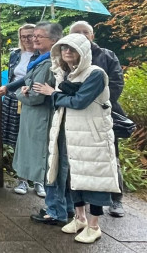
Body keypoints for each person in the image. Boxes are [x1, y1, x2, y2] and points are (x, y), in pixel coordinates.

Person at [32, 33, 121, 244]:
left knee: (94, 179)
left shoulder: (95, 74)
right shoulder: (68, 75)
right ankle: (79, 218)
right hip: (69, 132)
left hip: (92, 135)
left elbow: (80, 101)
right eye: (64, 49)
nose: (67, 52)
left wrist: (53, 93)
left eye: (72, 49)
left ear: (83, 52)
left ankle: (94, 225)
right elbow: (67, 100)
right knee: (73, 176)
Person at [9, 22, 68, 225]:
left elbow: (35, 96)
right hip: (39, 119)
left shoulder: (49, 63)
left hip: (42, 121)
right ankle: (61, 208)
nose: (34, 39)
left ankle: (55, 210)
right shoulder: (43, 60)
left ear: (54, 40)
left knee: (48, 164)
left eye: (39, 36)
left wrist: (18, 93)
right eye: (33, 35)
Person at [69, 21, 126, 218]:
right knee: (81, 158)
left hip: (102, 114)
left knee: (110, 157)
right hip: (76, 115)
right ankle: (83, 202)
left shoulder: (107, 55)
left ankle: (116, 199)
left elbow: (117, 83)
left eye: (86, 32)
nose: (82, 35)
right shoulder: (68, 55)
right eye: (77, 32)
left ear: (92, 36)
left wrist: (96, 103)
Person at [0, 24, 43, 196]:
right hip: (13, 100)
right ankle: (21, 179)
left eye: (30, 36)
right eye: (23, 36)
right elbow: (12, 76)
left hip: (31, 99)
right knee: (17, 140)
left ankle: (38, 180)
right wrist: (7, 90)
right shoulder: (15, 54)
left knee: (34, 139)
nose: (27, 40)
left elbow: (30, 79)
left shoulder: (42, 56)